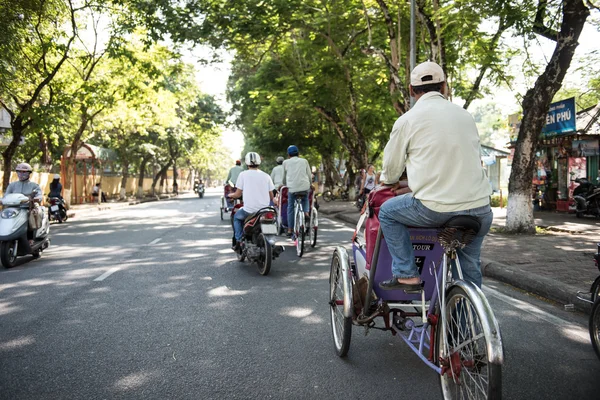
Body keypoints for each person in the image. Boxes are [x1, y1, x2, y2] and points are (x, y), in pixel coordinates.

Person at [377, 61, 492, 291]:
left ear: (411, 90)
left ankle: (407, 274)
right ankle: (471, 318)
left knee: (388, 212)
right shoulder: (466, 116)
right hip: (480, 209)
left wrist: (391, 183)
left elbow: (390, 172)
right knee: (470, 271)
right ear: (444, 87)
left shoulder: (407, 120)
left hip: (434, 209)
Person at [228, 152, 275, 250]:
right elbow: (271, 196)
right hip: (264, 210)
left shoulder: (243, 175)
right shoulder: (266, 176)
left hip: (249, 210)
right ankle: (271, 241)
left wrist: (231, 195)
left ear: (246, 162)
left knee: (236, 217)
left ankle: (239, 240)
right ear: (259, 162)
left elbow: (238, 194)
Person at [282, 145, 312, 237]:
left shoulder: (285, 162)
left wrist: (283, 184)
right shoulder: (304, 161)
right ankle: (306, 213)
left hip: (292, 188)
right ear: (298, 154)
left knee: (290, 207)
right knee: (305, 199)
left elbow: (284, 178)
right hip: (304, 186)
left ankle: (290, 229)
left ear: (288, 155)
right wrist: (310, 184)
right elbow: (309, 175)